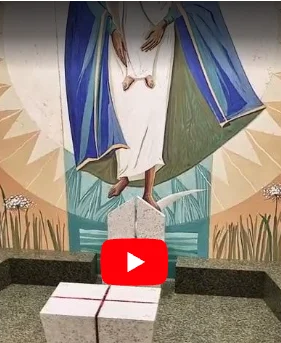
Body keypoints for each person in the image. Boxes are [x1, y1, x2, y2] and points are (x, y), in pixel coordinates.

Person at [65, 2, 264, 210]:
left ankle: (148, 192)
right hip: (122, 40)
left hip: (159, 40)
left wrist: (165, 22)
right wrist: (111, 29)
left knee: (154, 116)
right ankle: (125, 175)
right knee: (124, 115)